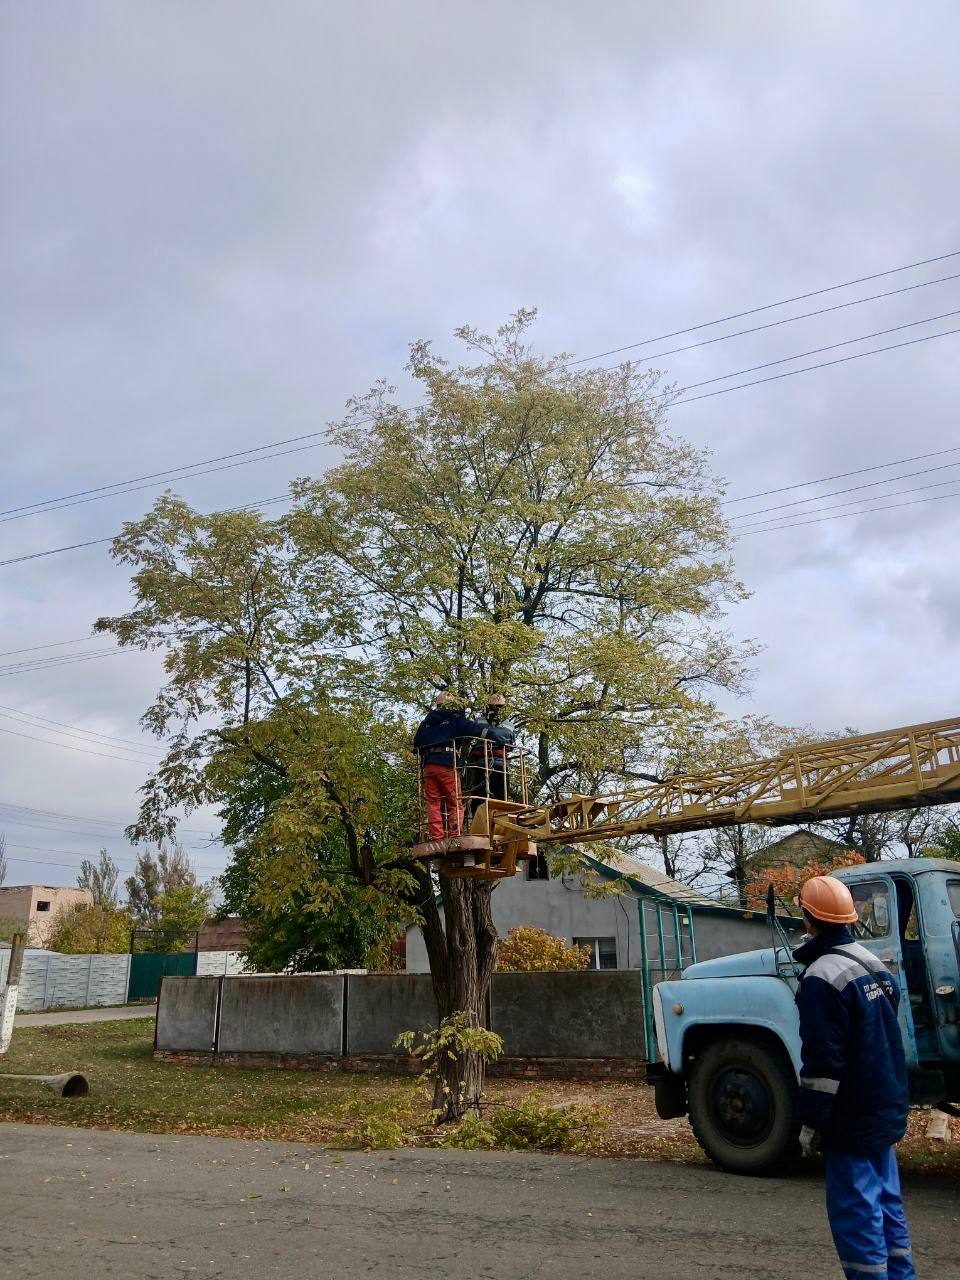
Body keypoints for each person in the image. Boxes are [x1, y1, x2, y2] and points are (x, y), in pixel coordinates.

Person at [794, 874, 914, 1280]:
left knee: (857, 1215)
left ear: (809, 918)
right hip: (885, 1104)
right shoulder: (873, 964)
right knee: (887, 1208)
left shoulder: (820, 977)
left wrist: (812, 1121)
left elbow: (823, 1064)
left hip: (851, 1118)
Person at [412, 694, 511, 841]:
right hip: (446, 763)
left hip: (429, 766)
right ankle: (454, 836)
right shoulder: (455, 718)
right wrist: (493, 736)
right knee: (454, 801)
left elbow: (416, 743)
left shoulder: (427, 722)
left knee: (433, 802)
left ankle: (436, 836)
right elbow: (474, 730)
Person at [463, 694, 516, 812]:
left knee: (482, 800)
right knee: (499, 799)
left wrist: (488, 733)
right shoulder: (508, 725)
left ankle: (484, 822)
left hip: (486, 765)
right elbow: (511, 745)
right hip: (495, 765)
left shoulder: (481, 721)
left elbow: (471, 736)